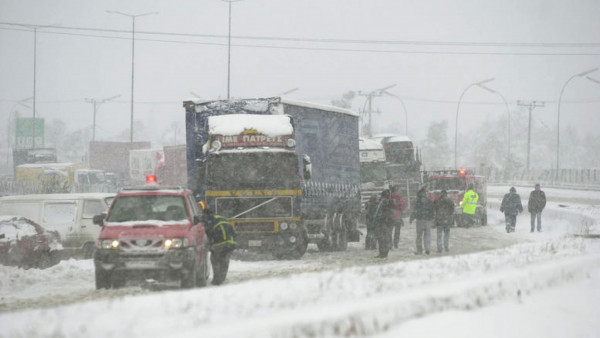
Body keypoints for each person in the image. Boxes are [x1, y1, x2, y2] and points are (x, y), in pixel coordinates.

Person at [198, 200, 236, 285]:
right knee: (224, 260)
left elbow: (209, 233)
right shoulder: (218, 217)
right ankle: (221, 279)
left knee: (215, 259)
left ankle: (217, 280)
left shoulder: (209, 220)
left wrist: (209, 245)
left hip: (221, 242)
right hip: (231, 241)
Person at [409, 187, 435, 255]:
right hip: (427, 220)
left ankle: (419, 250)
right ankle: (427, 249)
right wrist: (432, 218)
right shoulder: (429, 201)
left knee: (419, 236)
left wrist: (411, 218)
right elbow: (432, 211)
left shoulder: (418, 202)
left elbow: (415, 211)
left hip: (420, 220)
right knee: (427, 235)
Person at [372, 189, 394, 258]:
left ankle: (383, 253)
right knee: (384, 238)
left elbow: (381, 213)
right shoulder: (387, 202)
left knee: (382, 238)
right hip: (385, 222)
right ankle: (384, 253)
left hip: (382, 222)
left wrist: (378, 219)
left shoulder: (384, 202)